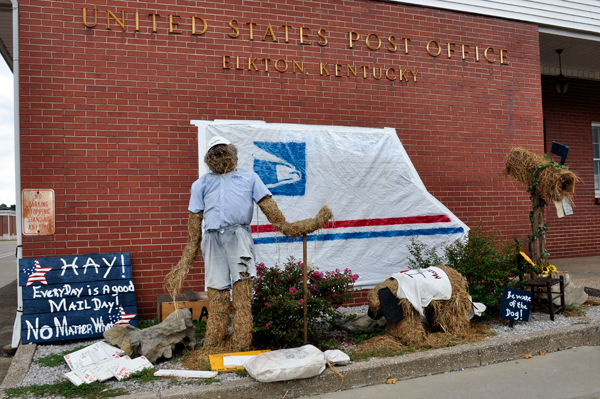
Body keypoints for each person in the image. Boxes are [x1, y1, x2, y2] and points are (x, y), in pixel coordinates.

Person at [165, 136, 332, 351]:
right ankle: (214, 343)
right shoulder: (201, 184)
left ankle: (241, 343)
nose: (220, 157)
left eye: (223, 152)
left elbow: (277, 219)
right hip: (213, 239)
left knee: (242, 293)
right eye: (216, 153)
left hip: (239, 237)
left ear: (232, 153)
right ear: (209, 158)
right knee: (217, 292)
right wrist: (183, 265)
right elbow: (193, 232)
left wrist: (310, 224)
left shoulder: (249, 178)